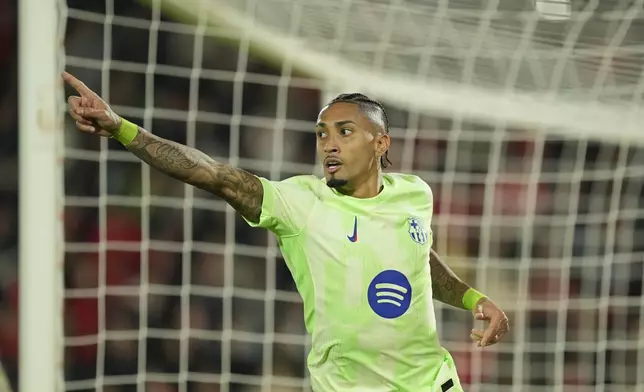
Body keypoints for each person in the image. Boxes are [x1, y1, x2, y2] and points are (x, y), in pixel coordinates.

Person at [63, 72, 509, 392]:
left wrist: (474, 298)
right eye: (321, 134)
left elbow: (419, 256)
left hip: (434, 382)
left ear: (381, 143)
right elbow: (213, 174)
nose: (329, 144)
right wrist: (122, 129)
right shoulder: (300, 202)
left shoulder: (415, 194)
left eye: (345, 131)